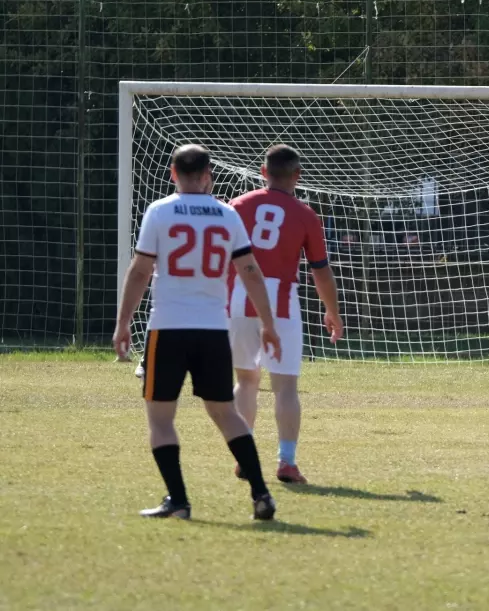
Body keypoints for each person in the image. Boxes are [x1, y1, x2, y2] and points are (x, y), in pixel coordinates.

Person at [112, 144, 278, 520]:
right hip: (212, 330)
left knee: (160, 419)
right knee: (225, 412)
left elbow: (140, 272)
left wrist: (123, 323)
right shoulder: (226, 214)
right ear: (208, 174)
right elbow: (250, 271)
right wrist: (267, 323)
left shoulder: (159, 211)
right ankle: (261, 493)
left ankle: (179, 501)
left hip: (168, 328)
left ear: (173, 173)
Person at [229, 145, 344, 485]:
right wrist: (332, 312)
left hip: (239, 296)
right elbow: (320, 271)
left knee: (246, 380)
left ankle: (243, 457)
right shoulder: (306, 215)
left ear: (263, 173)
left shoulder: (238, 205)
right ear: (298, 175)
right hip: (281, 301)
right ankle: (287, 462)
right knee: (285, 387)